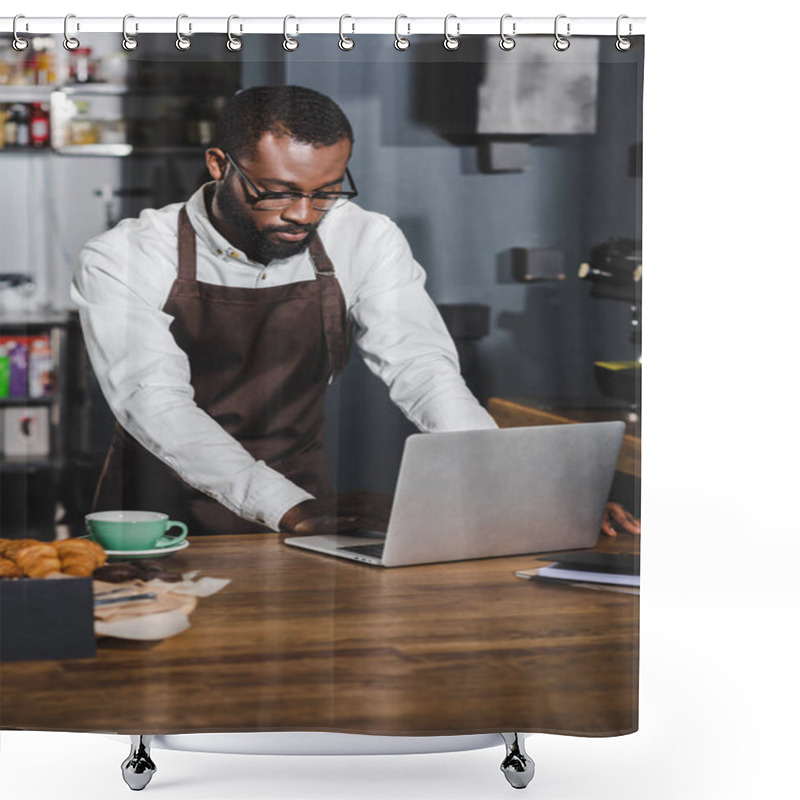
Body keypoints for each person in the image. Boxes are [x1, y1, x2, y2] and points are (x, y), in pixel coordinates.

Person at [72, 85, 498, 537]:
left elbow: (420, 366)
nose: (304, 215)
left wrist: (489, 464)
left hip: (304, 496)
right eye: (278, 192)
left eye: (327, 192)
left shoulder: (365, 239)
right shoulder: (124, 256)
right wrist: (282, 506)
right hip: (156, 512)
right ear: (219, 165)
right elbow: (155, 401)